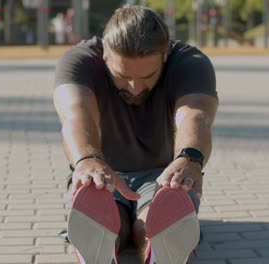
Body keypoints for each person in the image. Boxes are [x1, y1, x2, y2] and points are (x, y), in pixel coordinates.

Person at [53, 4, 218, 264]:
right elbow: (76, 113)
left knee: (149, 224)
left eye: (148, 75)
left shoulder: (190, 63)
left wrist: (189, 158)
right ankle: (101, 246)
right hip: (103, 174)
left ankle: (159, 250)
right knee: (110, 221)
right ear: (105, 54)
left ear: (164, 55)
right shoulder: (78, 61)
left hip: (164, 176)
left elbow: (194, 114)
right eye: (122, 76)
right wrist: (87, 160)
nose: (135, 87)